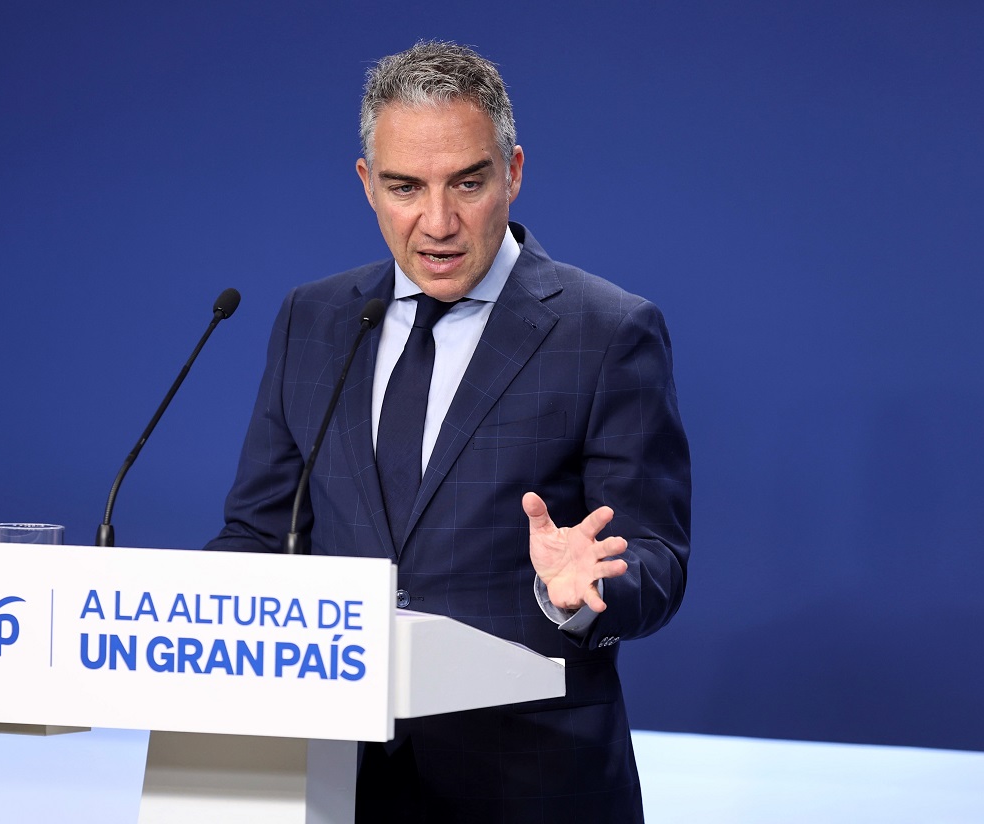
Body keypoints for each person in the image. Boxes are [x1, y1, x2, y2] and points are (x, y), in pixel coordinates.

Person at [205, 40, 691, 823]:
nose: (438, 222)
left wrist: (584, 587)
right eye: (405, 187)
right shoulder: (314, 319)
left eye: (468, 182)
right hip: (331, 778)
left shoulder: (607, 330)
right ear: (368, 185)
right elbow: (258, 535)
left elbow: (657, 558)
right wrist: (185, 611)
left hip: (528, 781)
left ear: (514, 172)